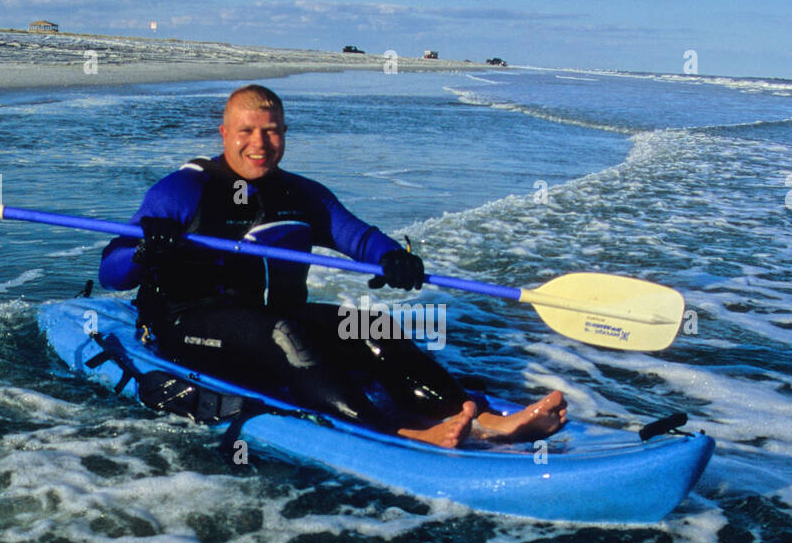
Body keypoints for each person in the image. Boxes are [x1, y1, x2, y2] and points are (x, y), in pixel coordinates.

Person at [99, 85, 567, 448]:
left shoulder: (302, 193)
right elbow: (112, 272)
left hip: (275, 322)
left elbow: (357, 236)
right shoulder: (182, 191)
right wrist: (146, 251)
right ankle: (394, 434)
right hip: (187, 326)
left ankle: (480, 421)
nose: (260, 144)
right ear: (224, 134)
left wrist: (394, 259)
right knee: (283, 332)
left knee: (368, 324)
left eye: (272, 130)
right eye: (246, 131)